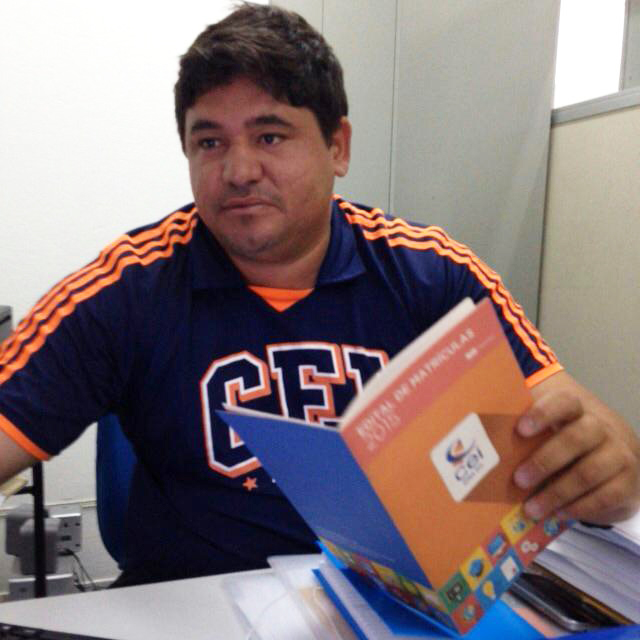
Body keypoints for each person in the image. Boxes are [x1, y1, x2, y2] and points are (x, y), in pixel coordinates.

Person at [0, 3, 638, 587]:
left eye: (270, 136)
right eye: (209, 142)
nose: (238, 171)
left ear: (338, 147)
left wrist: (613, 470)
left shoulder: (433, 275)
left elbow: (582, 431)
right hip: (194, 604)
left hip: (399, 600)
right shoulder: (128, 288)